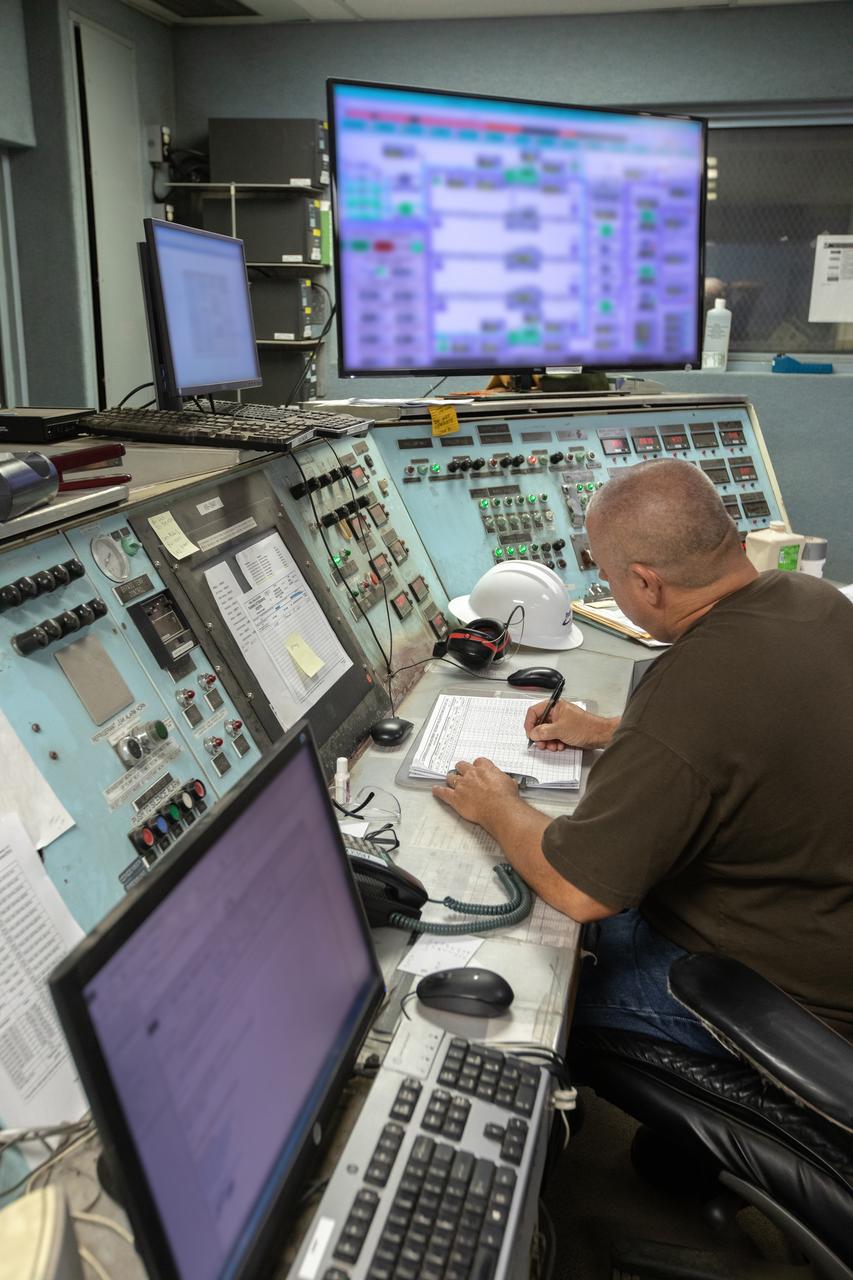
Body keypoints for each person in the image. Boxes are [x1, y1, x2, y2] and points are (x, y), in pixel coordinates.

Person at [434, 459, 853, 1051]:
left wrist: (496, 803)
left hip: (782, 998)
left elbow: (581, 891)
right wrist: (606, 729)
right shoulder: (813, 598)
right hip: (825, 923)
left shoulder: (689, 684)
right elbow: (755, 728)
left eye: (608, 576)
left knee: (535, 995)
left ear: (646, 583)